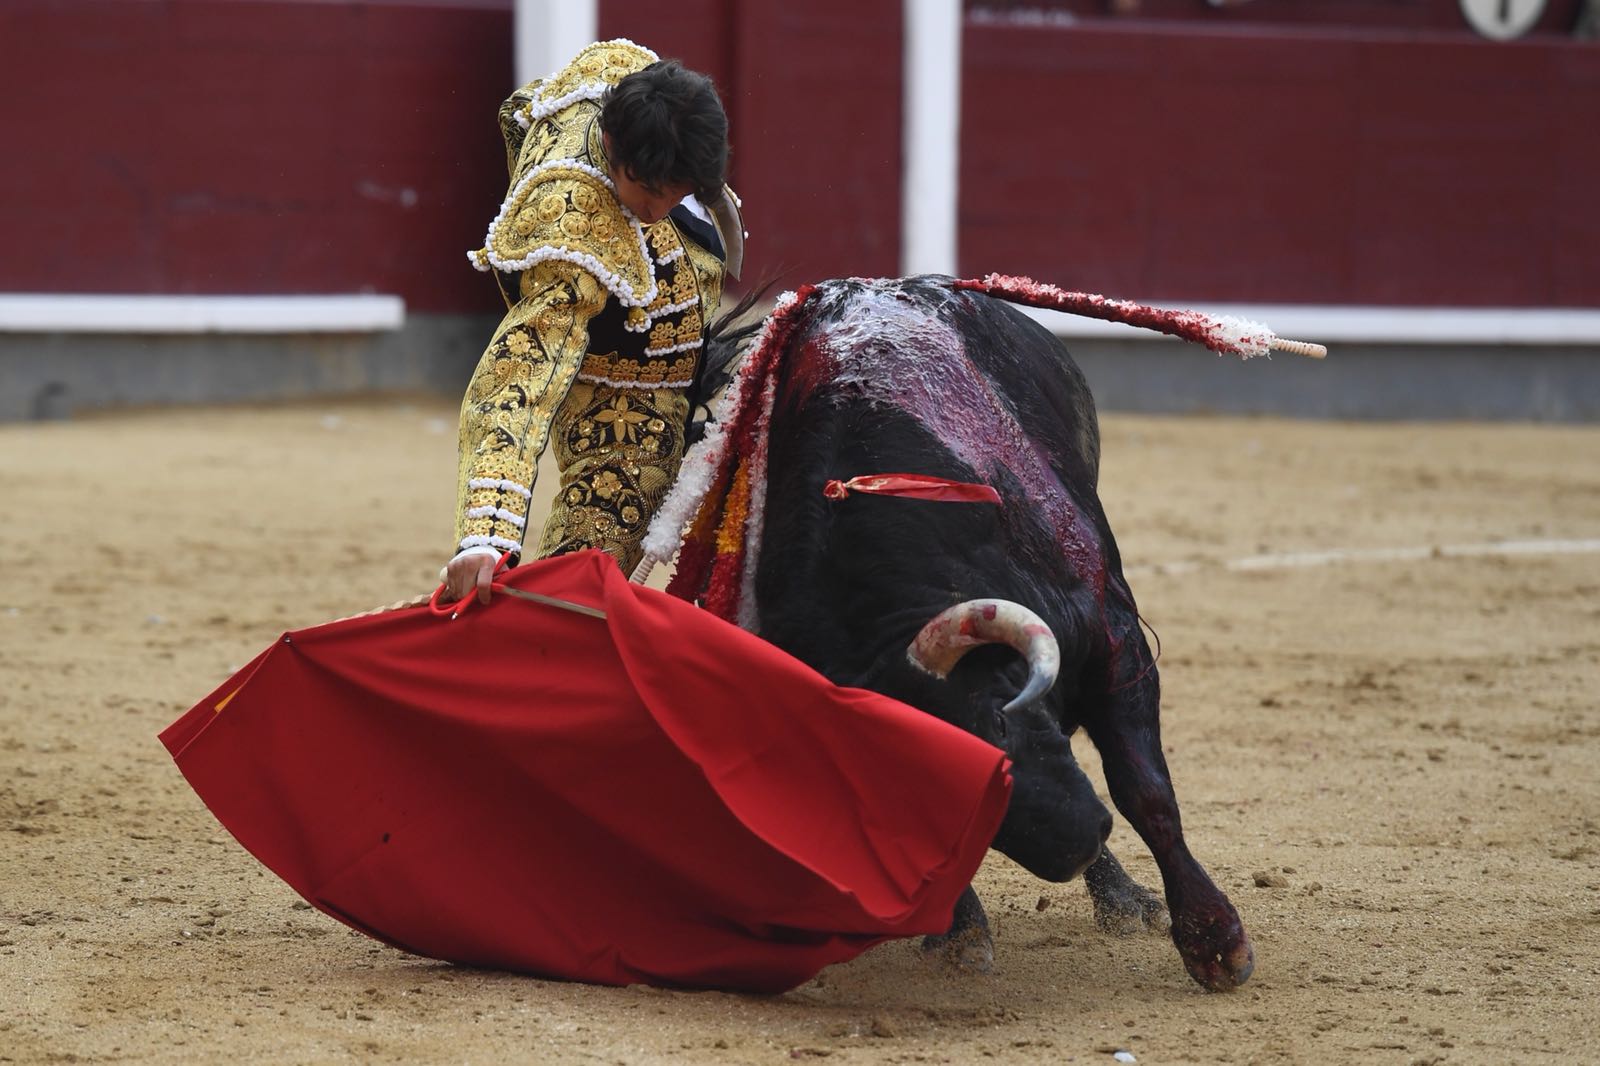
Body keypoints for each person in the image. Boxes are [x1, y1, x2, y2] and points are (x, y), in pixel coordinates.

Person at [442, 40, 744, 604]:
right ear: (609, 144)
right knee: (574, 600)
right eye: (649, 192)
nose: (661, 210)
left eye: (680, 193)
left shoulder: (630, 82)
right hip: (618, 408)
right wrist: (486, 533)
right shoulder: (571, 227)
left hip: (678, 356)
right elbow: (518, 378)